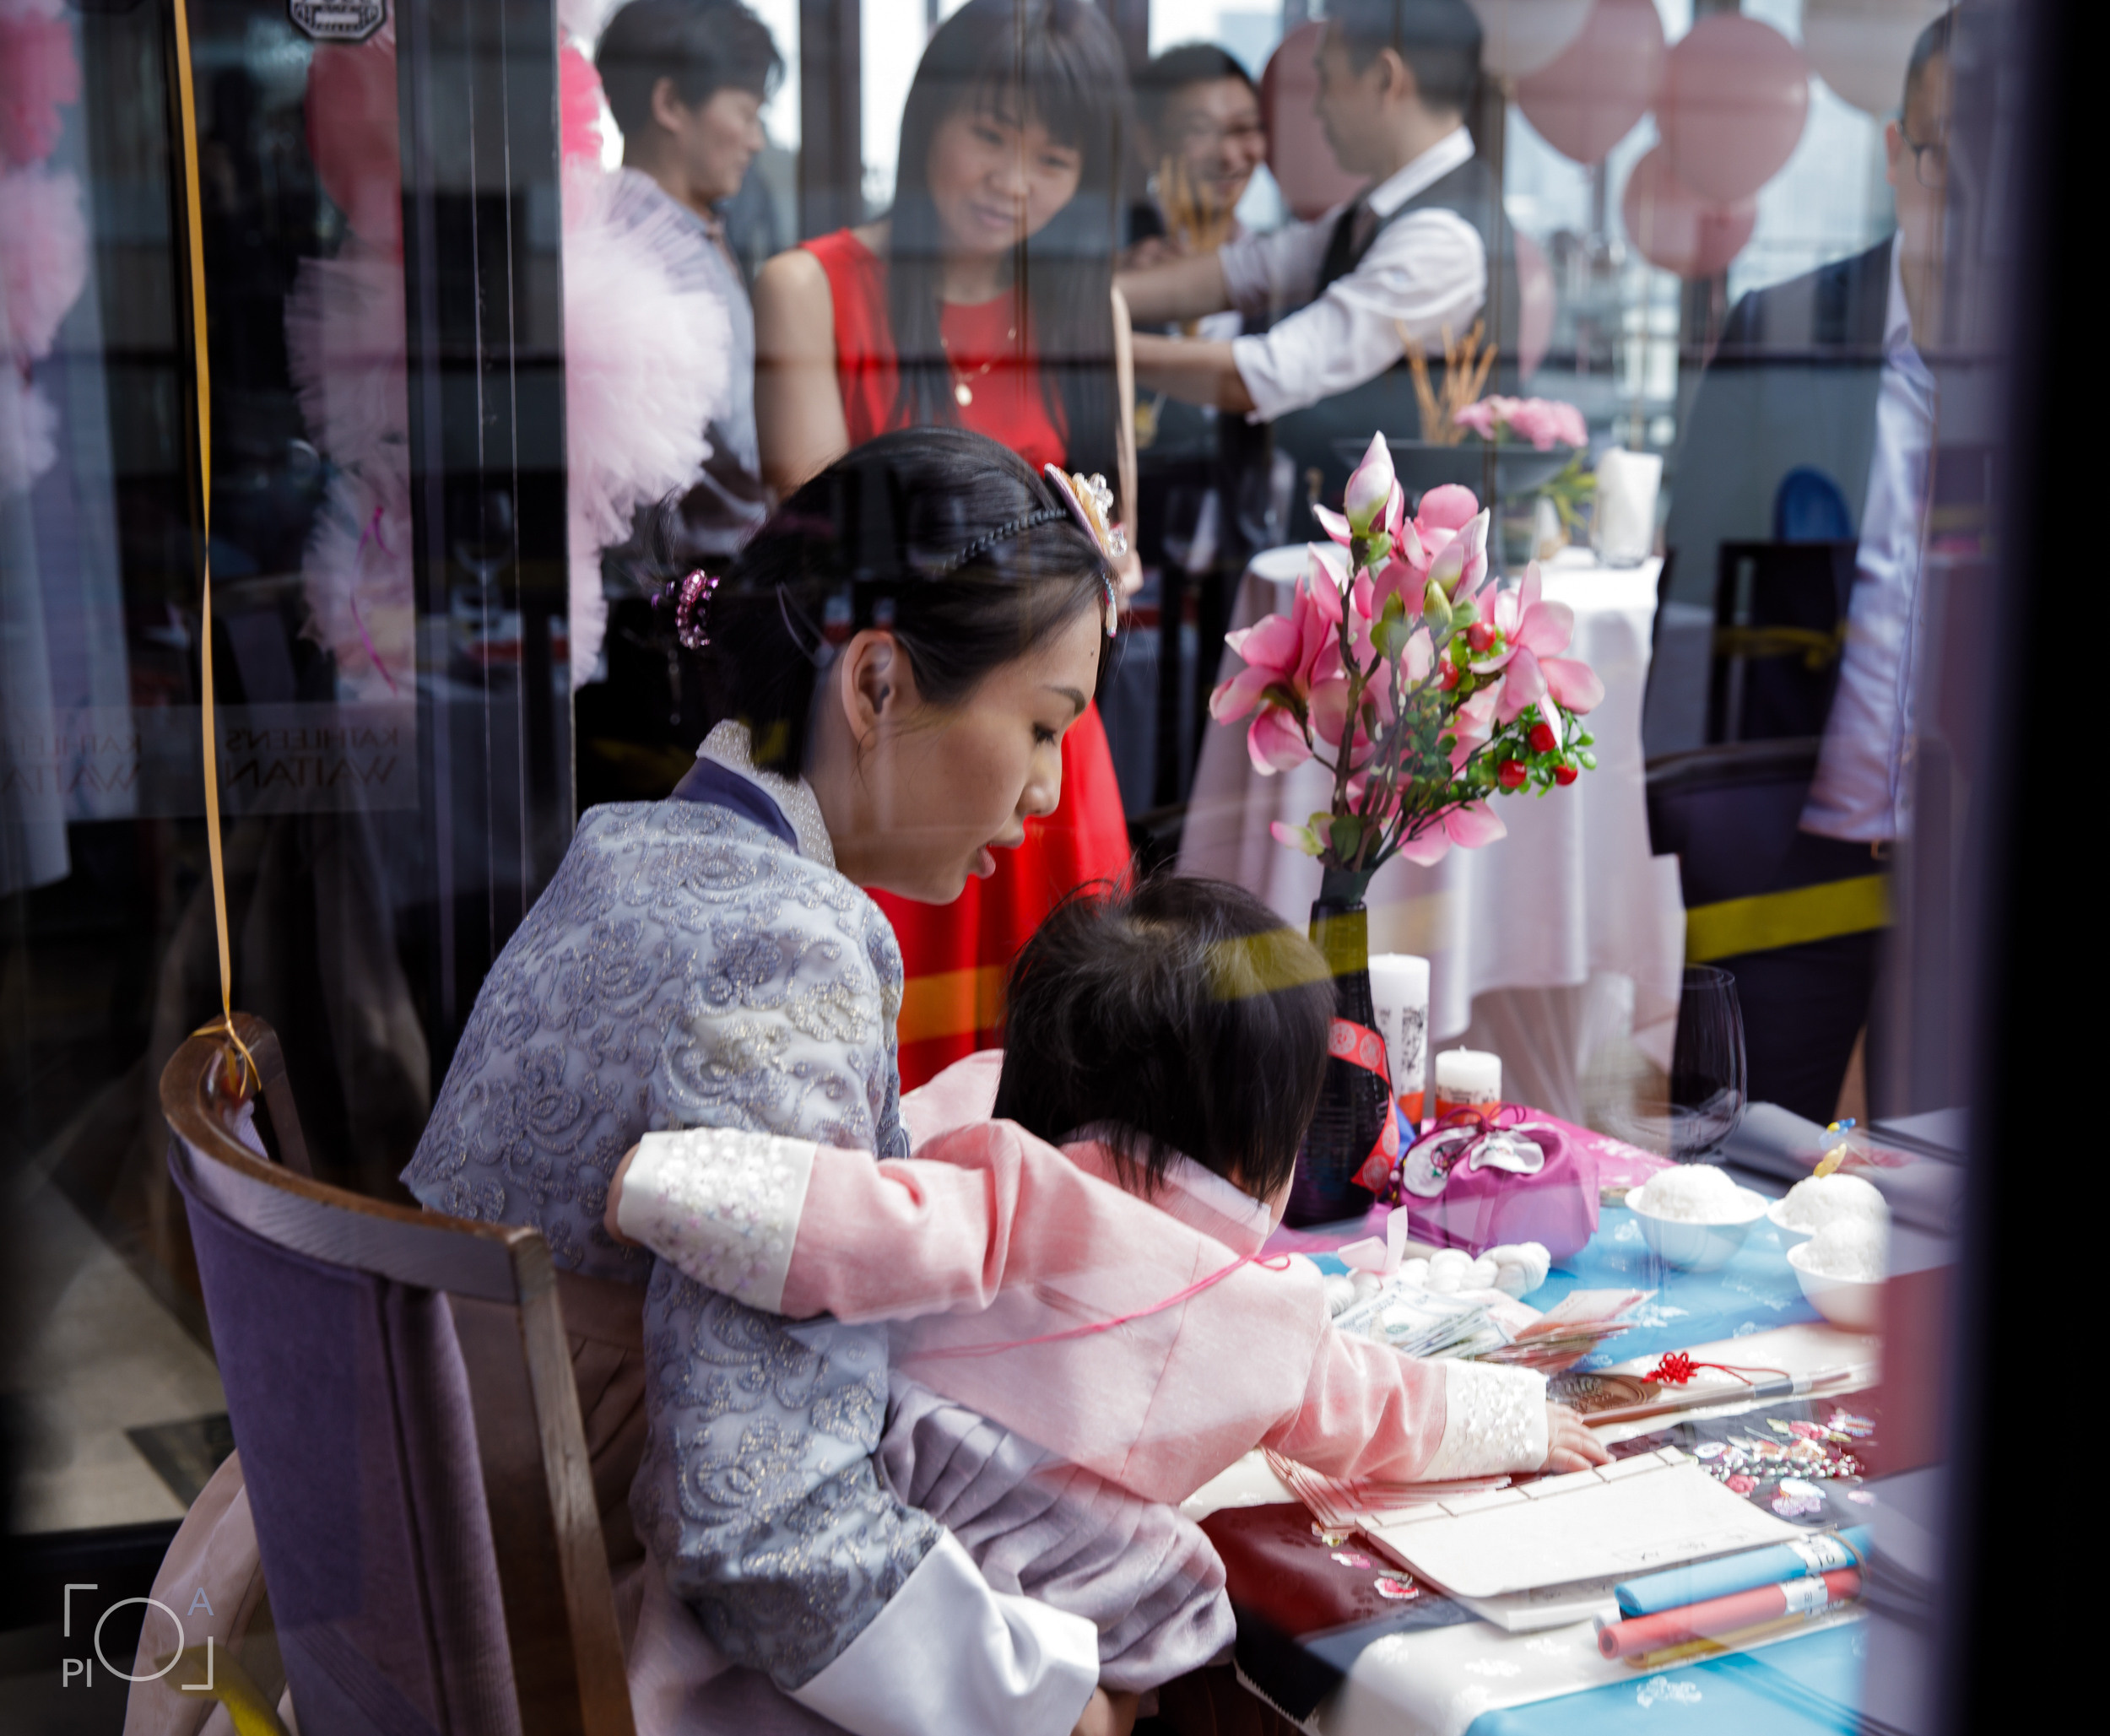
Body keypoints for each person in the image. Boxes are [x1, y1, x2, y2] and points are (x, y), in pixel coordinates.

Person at [403, 431, 1172, 1736]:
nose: (1048, 790)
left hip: (437, 1556)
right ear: (875, 683)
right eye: (1042, 725)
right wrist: (1039, 1701)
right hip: (560, 1626)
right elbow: (757, 1516)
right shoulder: (793, 942)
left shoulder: (629, 847)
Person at [607, 874, 1610, 1516]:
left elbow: (848, 1217)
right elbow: (1372, 1401)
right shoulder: (1233, 1306)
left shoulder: (991, 1170)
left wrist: (671, 1180)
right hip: (1018, 1565)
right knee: (1180, 1600)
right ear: (1254, 1149)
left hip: (875, 1504)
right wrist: (1515, 1418)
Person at [751, 0, 1139, 1086]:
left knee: (1056, 1073)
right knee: (864, 1072)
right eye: (990, 135)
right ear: (929, 119)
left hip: (1049, 751)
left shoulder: (1087, 311)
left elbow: (1117, 542)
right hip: (894, 749)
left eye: (1053, 159)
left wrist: (1104, 566)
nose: (1013, 181)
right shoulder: (809, 289)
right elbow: (820, 557)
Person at [1650, 11, 1955, 1121]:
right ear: (1896, 152)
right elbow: (1694, 598)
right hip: (1785, 857)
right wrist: (1699, 833)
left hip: (1964, 877)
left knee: (1941, 1182)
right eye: (1947, 156)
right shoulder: (1781, 332)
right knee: (1731, 1166)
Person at [1115, 0, 1516, 531]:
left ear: (1384, 79)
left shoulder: (1440, 238)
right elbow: (1243, 271)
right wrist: (1097, 295)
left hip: (1410, 566)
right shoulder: (1374, 212)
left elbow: (1267, 374)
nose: (1318, 109)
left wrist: (1089, 343)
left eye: (1325, 81)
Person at [597, 0, 782, 564]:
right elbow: (738, 451)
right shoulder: (650, 256)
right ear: (671, 104)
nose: (756, 140)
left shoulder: (678, 227)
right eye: (746, 114)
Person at [1123, 43, 1269, 276]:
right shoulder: (1115, 249)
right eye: (1200, 130)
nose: (1229, 156)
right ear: (1147, 143)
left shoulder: (1273, 263)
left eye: (1244, 128)